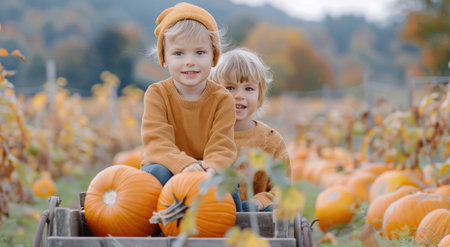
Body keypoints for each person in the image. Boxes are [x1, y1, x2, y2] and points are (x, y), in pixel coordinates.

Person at [140, 2, 237, 192]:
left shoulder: (223, 99)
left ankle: (234, 219)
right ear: (165, 59)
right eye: (178, 53)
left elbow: (222, 145)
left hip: (207, 169)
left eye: (200, 52)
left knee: (229, 182)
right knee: (154, 173)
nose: (190, 62)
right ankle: (155, 220)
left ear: (213, 56)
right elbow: (157, 142)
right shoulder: (157, 94)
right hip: (168, 166)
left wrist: (212, 168)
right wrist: (183, 164)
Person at [210, 48, 290, 212]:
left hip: (254, 217)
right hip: (212, 211)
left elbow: (282, 187)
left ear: (259, 96)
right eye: (230, 88)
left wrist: (261, 201)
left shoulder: (270, 140)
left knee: (272, 212)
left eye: (249, 89)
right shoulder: (204, 133)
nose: (239, 95)